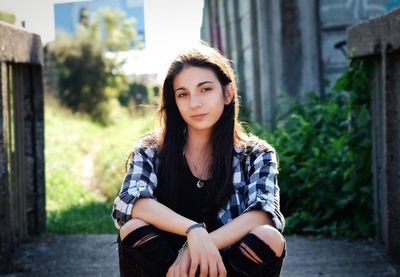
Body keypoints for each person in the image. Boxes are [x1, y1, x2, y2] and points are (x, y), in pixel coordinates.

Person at [112, 43, 286, 277]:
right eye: (183, 94)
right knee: (132, 228)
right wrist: (193, 231)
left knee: (269, 237)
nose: (195, 103)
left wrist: (200, 246)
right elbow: (131, 202)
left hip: (226, 268)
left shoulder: (256, 154)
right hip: (168, 269)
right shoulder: (151, 150)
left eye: (205, 89)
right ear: (175, 102)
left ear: (228, 93)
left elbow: (265, 213)